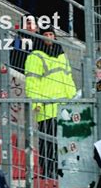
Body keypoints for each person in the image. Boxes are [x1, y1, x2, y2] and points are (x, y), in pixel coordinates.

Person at [24, 26, 77, 179]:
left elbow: (68, 79)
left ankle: (58, 169)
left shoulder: (61, 55)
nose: (49, 37)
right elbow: (32, 82)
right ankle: (47, 170)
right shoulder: (35, 56)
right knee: (47, 142)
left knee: (61, 142)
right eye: (45, 34)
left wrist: (72, 99)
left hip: (63, 107)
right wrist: (36, 103)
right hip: (46, 107)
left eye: (51, 34)